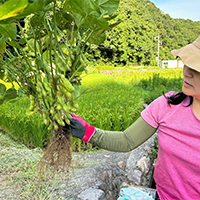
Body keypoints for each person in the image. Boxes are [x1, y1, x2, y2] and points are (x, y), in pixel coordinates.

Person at [64, 35, 200, 200]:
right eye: (187, 64)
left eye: (196, 69)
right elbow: (126, 140)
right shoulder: (167, 105)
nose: (186, 72)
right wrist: (86, 131)